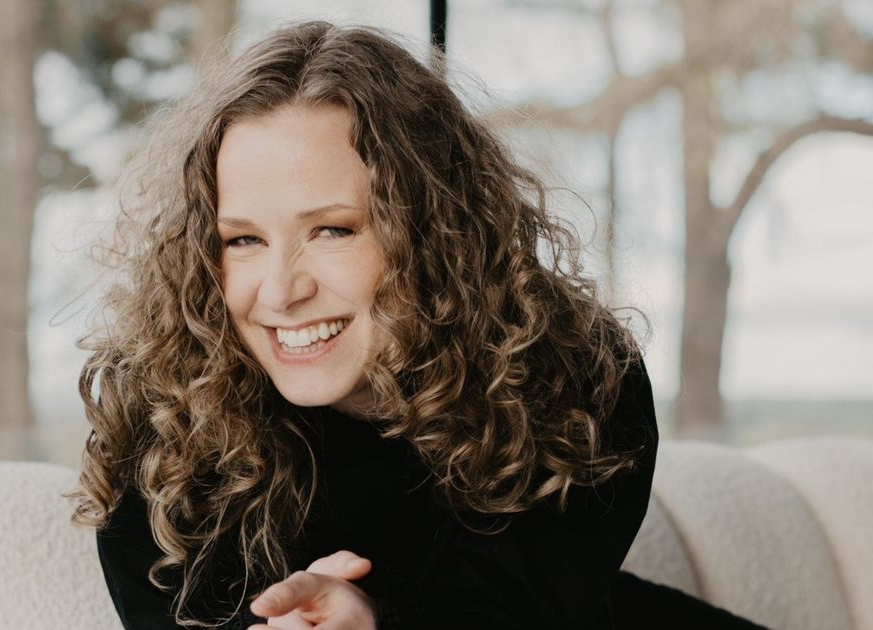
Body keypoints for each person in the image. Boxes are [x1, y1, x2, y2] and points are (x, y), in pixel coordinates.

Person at [67, 21, 766, 630]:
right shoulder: (159, 420)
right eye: (242, 240)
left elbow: (521, 614)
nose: (280, 291)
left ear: (435, 232)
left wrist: (378, 620)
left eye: (333, 230)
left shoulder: (575, 377)